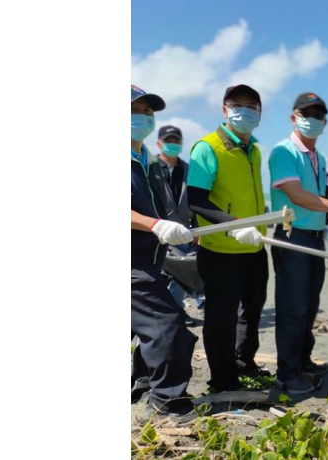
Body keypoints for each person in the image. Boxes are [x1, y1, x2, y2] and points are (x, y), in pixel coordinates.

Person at [266, 92, 328, 395]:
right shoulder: (284, 151)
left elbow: (321, 195)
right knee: (293, 307)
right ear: (293, 117)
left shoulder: (318, 157)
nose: (313, 120)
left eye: (318, 115)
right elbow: (297, 195)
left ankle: (302, 361)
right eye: (306, 114)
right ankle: (287, 374)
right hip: (292, 235)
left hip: (315, 236)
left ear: (325, 122)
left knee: (310, 304)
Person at [186, 84, 270, 393]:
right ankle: (222, 380)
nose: (245, 111)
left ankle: (243, 362)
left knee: (252, 310)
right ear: (225, 110)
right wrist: (234, 225)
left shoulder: (255, 149)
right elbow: (196, 200)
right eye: (238, 104)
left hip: (254, 246)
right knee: (221, 319)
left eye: (252, 106)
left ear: (259, 113)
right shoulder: (207, 147)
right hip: (221, 250)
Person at [130, 84, 197, 421]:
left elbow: (165, 210)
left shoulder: (149, 162)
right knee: (166, 325)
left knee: (140, 326)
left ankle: (142, 382)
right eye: (134, 110)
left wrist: (187, 233)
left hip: (152, 258)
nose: (143, 117)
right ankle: (167, 402)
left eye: (147, 112)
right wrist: (154, 225)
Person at [155, 125, 205, 320]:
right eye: (168, 141)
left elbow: (197, 200)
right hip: (159, 230)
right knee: (160, 275)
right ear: (159, 143)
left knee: (182, 272)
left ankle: (176, 311)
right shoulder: (151, 167)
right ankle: (169, 312)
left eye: (176, 141)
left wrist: (199, 229)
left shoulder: (188, 169)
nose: (172, 144)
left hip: (185, 230)